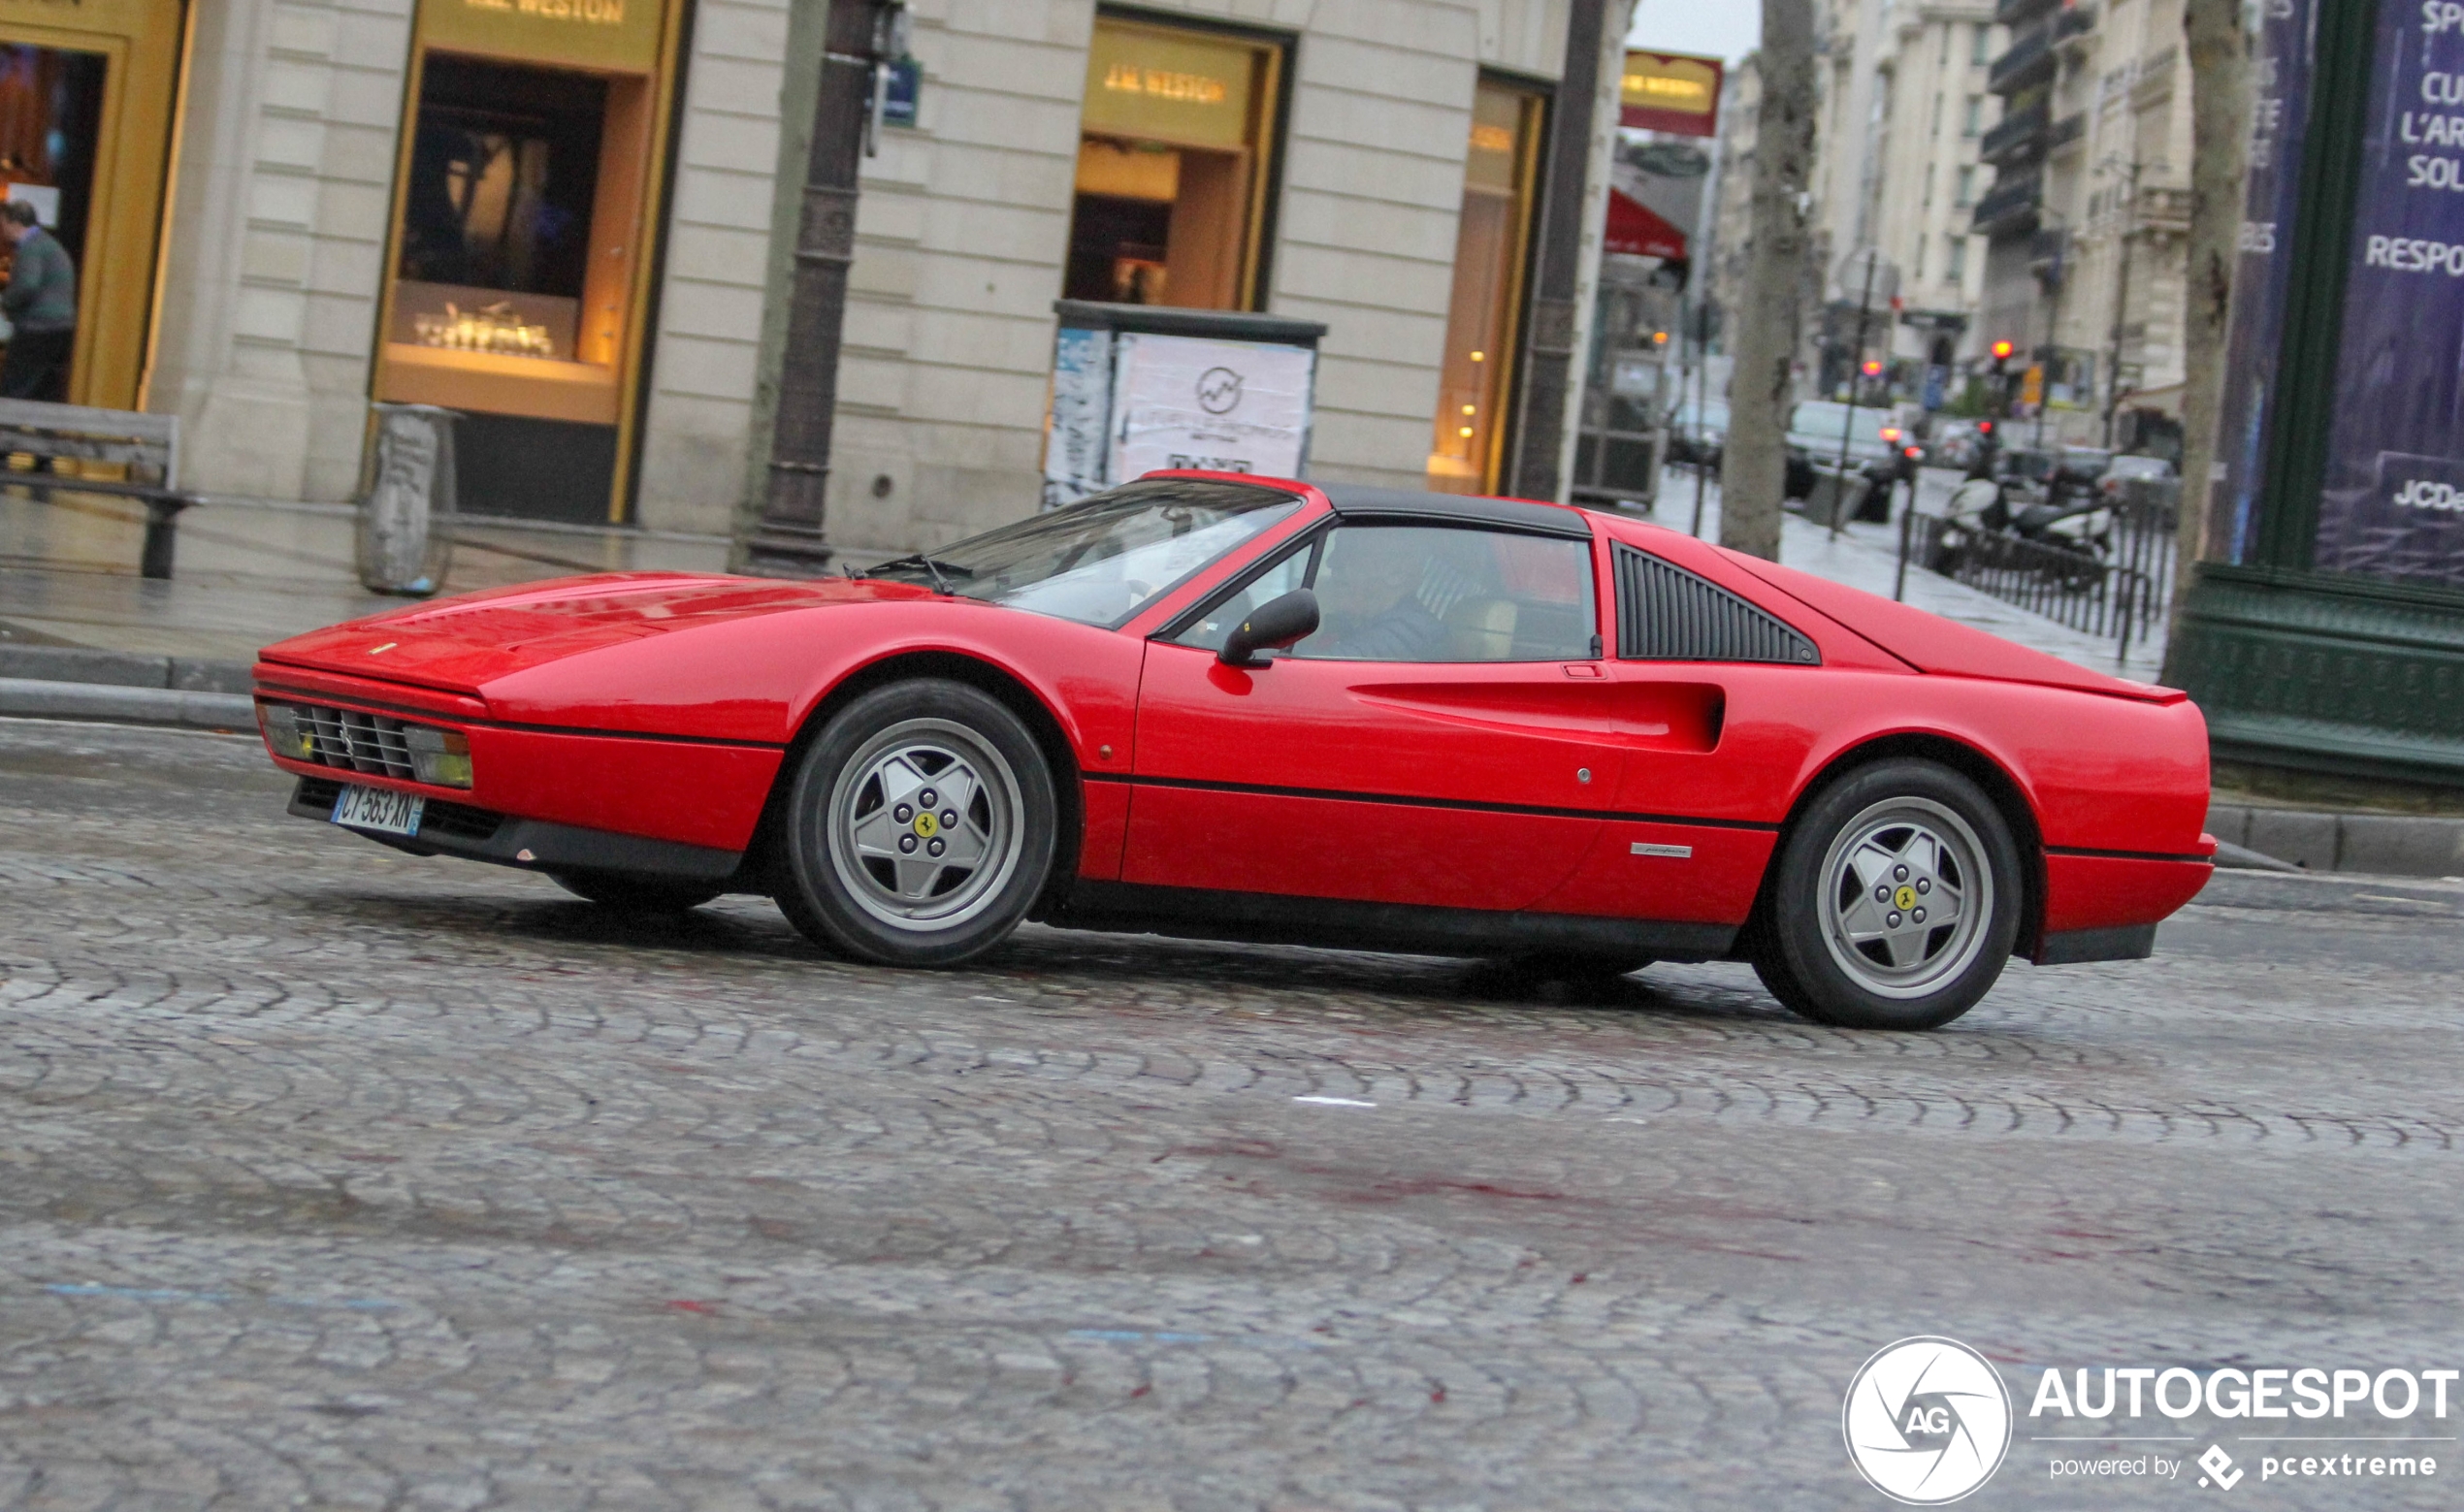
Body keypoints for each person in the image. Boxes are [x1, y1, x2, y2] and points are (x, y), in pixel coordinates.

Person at [1310, 536, 1451, 661]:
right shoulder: (1359, 620)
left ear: (1398, 573)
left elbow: (1315, 676)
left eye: (1348, 551)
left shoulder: (1411, 631)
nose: (1331, 561)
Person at [0, 200, 77, 402]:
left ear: (15, 223)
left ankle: (7, 430)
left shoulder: (31, 248)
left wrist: (6, 302)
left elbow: (27, 284)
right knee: (44, 390)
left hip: (37, 328)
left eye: (3, 224)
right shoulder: (47, 244)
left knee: (15, 386)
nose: (2, 230)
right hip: (58, 328)